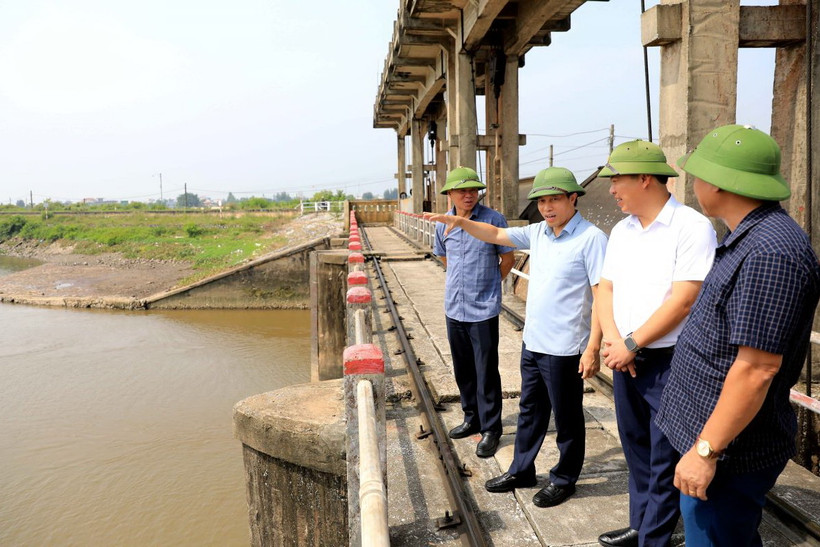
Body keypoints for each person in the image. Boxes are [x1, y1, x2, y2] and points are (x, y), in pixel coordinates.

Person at [654, 125, 820, 546]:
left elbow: (758, 369)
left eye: (697, 174)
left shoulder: (770, 253)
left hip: (729, 451)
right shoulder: (748, 235)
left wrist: (706, 452)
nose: (693, 184)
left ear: (719, 182)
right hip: (711, 436)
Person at [427, 166, 607, 508]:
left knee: (567, 418)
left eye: (555, 199)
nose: (548, 207)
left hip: (566, 346)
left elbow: (602, 296)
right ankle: (522, 469)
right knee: (529, 411)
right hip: (534, 341)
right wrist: (461, 222)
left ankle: (564, 479)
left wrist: (594, 346)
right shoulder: (539, 232)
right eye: (542, 201)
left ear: (573, 198)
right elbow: (496, 235)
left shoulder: (592, 239)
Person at [595, 140, 717, 547]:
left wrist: (632, 342)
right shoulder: (622, 230)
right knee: (635, 449)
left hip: (670, 360)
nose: (612, 189)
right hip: (625, 356)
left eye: (618, 180)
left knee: (664, 457)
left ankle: (654, 539)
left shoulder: (691, 226)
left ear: (645, 179)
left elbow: (684, 300)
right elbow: (605, 289)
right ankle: (640, 525)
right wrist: (616, 342)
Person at [432, 166, 515, 458]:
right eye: (462, 190)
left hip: (483, 309)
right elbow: (443, 255)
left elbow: (508, 258)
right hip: (454, 306)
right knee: (463, 368)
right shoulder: (442, 224)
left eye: (473, 190)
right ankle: (471, 418)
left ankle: (491, 428)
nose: (468, 195)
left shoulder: (493, 220)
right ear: (450, 194)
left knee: (486, 370)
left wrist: (490, 285)